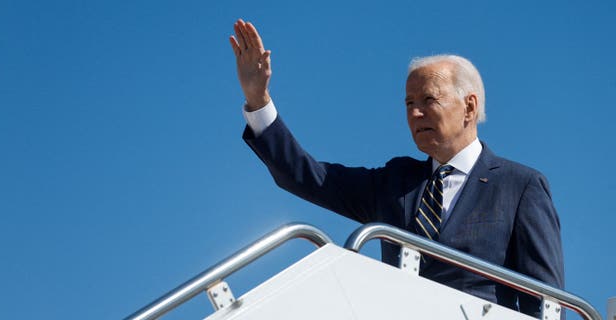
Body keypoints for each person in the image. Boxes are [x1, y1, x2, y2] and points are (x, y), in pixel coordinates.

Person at [228, 19, 564, 318]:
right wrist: (258, 100)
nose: (415, 114)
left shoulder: (520, 186)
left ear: (469, 106)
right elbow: (306, 175)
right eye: (409, 104)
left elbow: (547, 301)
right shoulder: (395, 181)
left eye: (428, 100)